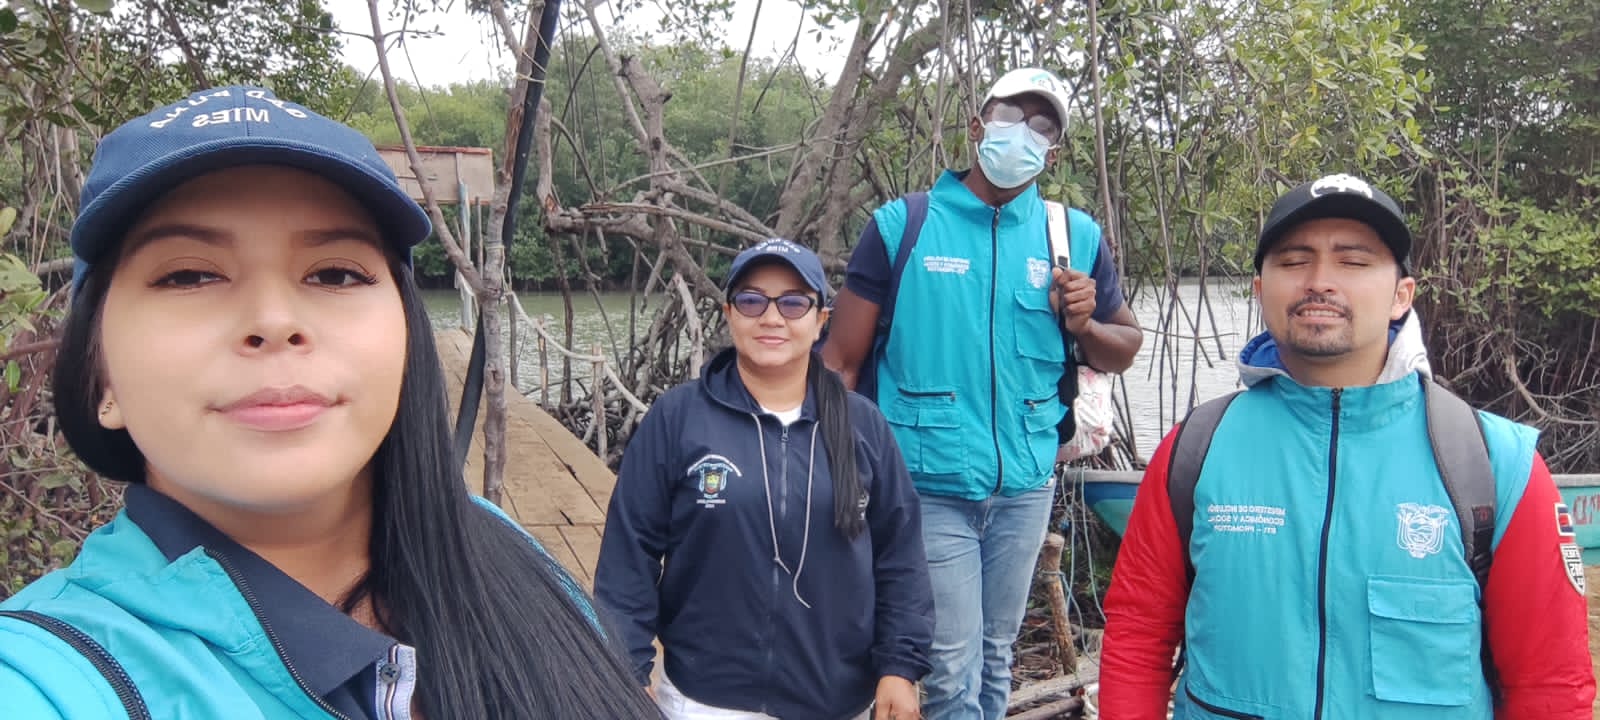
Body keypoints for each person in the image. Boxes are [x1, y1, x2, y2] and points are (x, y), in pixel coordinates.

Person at [0, 86, 661, 719]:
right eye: (189, 275)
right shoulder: (43, 678)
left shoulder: (495, 542)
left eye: (336, 273)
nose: (274, 320)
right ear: (101, 377)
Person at [1099, 173, 1596, 719]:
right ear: (1260, 290)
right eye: (1294, 261)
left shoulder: (1496, 465)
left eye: (1354, 262)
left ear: (1401, 296)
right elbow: (1138, 639)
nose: (1319, 281)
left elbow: (1550, 684)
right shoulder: (1195, 449)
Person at [821, 67, 1144, 719]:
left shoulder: (1073, 237)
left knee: (996, 653)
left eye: (1041, 126)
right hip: (925, 489)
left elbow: (1125, 346)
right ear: (977, 126)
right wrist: (826, 476)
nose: (1022, 134)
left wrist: (1085, 324)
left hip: (1027, 489)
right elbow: (839, 363)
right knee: (950, 665)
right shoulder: (902, 226)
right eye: (1009, 117)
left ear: (1053, 154)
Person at [594, 238, 934, 720]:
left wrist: (900, 667)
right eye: (752, 301)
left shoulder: (864, 426)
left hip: (839, 702)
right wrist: (625, 670)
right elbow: (629, 555)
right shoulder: (677, 418)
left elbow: (901, 557)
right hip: (704, 701)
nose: (772, 318)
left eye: (793, 303)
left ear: (821, 319)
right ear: (729, 313)